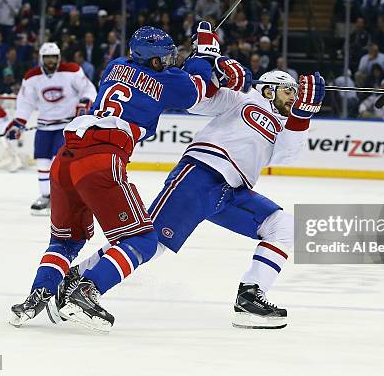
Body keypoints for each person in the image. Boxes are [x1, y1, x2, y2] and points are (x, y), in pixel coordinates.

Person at [8, 22, 251, 332]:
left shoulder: (115, 65)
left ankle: (37, 295)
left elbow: (179, 77)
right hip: (101, 158)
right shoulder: (166, 80)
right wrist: (207, 54)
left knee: (66, 241)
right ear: (152, 59)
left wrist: (201, 60)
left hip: (66, 157)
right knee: (143, 240)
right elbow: (200, 89)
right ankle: (87, 291)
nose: (169, 61)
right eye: (165, 56)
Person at [57, 69, 325, 330]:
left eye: (297, 93)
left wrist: (302, 116)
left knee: (284, 227)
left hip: (233, 192)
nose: (295, 96)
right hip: (200, 174)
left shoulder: (285, 126)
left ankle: (250, 297)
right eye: (289, 90)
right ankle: (81, 281)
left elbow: (285, 157)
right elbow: (197, 103)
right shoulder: (243, 98)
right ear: (268, 89)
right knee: (152, 242)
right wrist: (217, 72)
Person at [5, 42, 97, 215]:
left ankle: (61, 197)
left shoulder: (71, 71)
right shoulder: (32, 77)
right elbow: (26, 102)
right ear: (41, 58)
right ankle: (46, 196)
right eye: (47, 58)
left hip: (66, 126)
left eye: (53, 58)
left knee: (58, 162)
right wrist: (19, 122)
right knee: (42, 161)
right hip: (44, 125)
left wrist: (85, 101)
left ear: (59, 58)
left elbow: (88, 89)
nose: (50, 61)